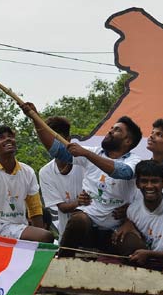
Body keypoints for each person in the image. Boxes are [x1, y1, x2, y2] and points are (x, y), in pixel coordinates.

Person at [22, 101, 143, 255]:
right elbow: (57, 151)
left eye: (117, 130)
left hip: (116, 229)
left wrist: (86, 154)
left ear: (128, 141)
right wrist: (36, 119)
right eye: (111, 128)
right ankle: (62, 258)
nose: (110, 131)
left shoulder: (134, 161)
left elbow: (123, 172)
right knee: (79, 220)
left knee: (135, 246)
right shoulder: (92, 153)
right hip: (87, 225)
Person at [0, 125, 53, 261]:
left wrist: (39, 243)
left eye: (11, 136)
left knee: (44, 237)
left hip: (19, 228)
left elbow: (35, 209)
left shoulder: (27, 172)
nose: (8, 140)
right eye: (2, 138)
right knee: (47, 237)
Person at [38, 116, 86, 237]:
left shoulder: (85, 161)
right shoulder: (45, 172)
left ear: (68, 139)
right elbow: (62, 208)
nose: (52, 145)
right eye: (49, 140)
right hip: (67, 236)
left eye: (56, 139)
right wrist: (79, 202)